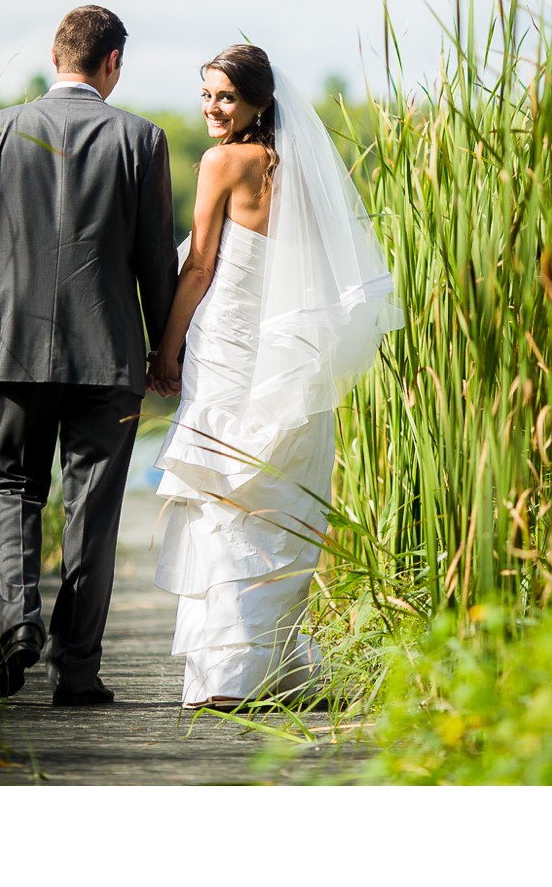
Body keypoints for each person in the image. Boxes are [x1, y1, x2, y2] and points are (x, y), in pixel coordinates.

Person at [149, 43, 402, 710]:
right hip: (284, 339)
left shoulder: (222, 161)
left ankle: (230, 675)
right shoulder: (299, 171)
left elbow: (200, 266)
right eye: (206, 94)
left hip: (228, 335)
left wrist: (166, 351)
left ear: (258, 101)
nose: (211, 107)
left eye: (225, 97)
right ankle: (277, 662)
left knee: (225, 496)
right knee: (273, 493)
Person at [0, 5, 178, 706]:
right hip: (107, 356)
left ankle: (17, 622)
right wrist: (165, 351)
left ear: (55, 55)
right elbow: (154, 261)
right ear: (112, 64)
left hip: (11, 347)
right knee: (92, 509)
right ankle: (76, 671)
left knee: (11, 486)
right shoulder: (141, 138)